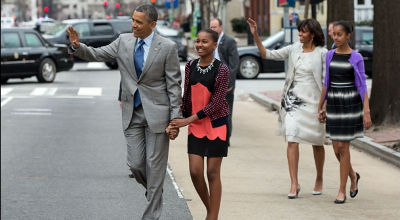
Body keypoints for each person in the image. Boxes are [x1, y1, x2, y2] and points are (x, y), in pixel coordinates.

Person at [66, 4, 182, 219]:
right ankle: (155, 191)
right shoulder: (123, 41)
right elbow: (97, 54)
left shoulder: (167, 47)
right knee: (136, 165)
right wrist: (77, 46)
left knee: (155, 168)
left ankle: (151, 213)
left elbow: (174, 85)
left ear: (152, 25)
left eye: (139, 22)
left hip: (158, 114)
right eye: (133, 20)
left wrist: (175, 119)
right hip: (132, 112)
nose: (133, 25)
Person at [247, 18, 327, 198]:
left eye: (303, 32)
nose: (299, 34)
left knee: (317, 142)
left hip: (315, 102)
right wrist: (255, 35)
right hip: (293, 101)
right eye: (299, 31)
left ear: (312, 34)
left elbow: (326, 82)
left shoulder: (323, 53)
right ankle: (294, 183)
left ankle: (319, 178)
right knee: (292, 138)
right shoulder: (293, 48)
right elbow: (267, 54)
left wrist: (324, 106)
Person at [168, 29, 230, 220]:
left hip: (216, 124)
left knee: (212, 173)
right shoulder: (190, 66)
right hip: (196, 124)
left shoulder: (222, 69)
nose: (200, 45)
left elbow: (216, 103)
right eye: (198, 41)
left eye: (205, 42)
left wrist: (187, 120)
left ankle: (212, 216)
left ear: (214, 45)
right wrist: (177, 121)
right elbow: (186, 96)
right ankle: (212, 211)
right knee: (195, 172)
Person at [318, 21, 372, 204]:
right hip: (333, 102)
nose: (336, 37)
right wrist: (321, 105)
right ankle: (352, 175)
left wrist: (366, 111)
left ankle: (341, 191)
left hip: (350, 103)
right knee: (335, 148)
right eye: (334, 34)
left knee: (344, 147)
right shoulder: (329, 55)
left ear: (348, 35)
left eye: (340, 34)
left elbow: (362, 85)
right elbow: (327, 82)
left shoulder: (356, 57)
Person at [209, 18, 240, 147]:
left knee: (226, 111)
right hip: (211, 82)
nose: (213, 30)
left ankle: (225, 138)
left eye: (215, 27)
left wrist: (229, 84)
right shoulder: (209, 41)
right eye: (211, 27)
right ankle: (213, 136)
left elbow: (234, 65)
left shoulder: (229, 42)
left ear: (221, 27)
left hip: (225, 82)